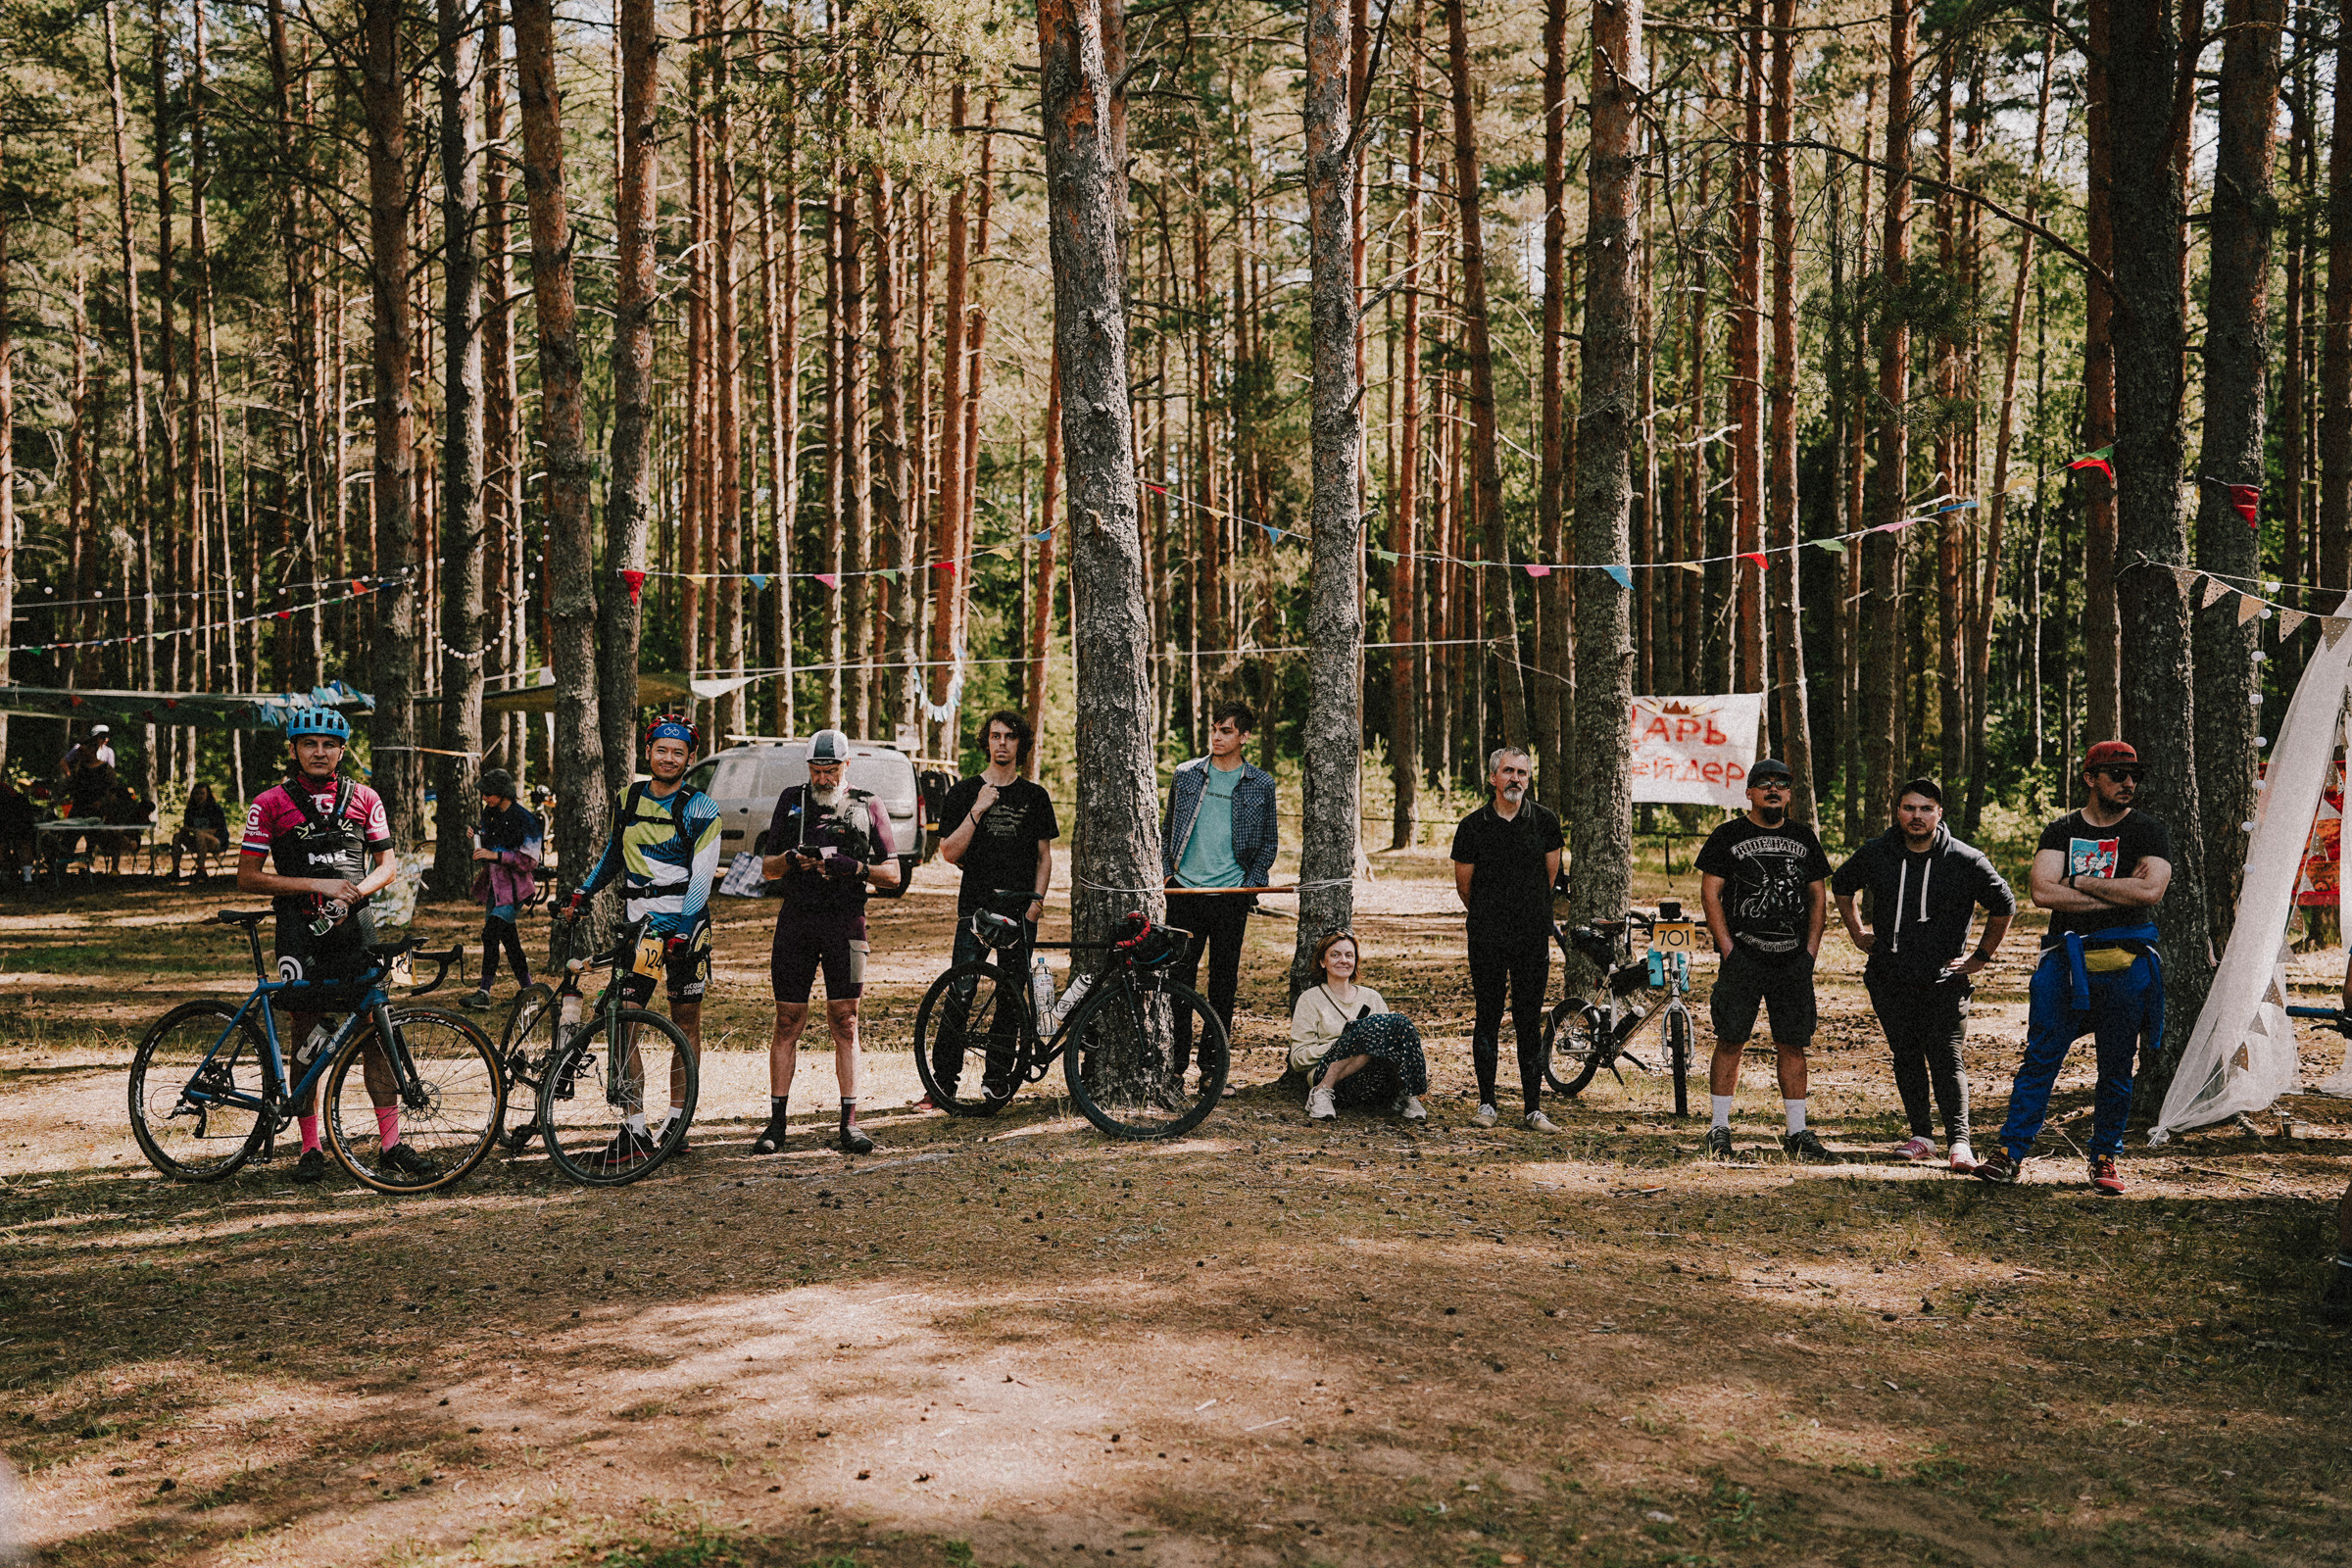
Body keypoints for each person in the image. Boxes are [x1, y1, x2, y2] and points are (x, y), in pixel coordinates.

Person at [1977, 740, 2172, 1194]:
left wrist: (2079, 880)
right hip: (2065, 963)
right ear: (2090, 779)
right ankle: (2010, 1152)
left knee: (2116, 1067)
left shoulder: (2148, 830)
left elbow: (2150, 892)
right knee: (2040, 1059)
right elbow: (2042, 892)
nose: (2128, 782)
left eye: (2134, 775)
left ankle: (2105, 1157)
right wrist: (2118, 892)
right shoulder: (2061, 829)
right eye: (2117, 774)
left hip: (2127, 964)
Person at [235, 709, 408, 1184]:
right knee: (305, 1033)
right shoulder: (270, 803)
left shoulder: (365, 797)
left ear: (342, 750)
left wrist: (354, 893)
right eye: (309, 743)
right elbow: (248, 877)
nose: (319, 752)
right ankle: (310, 1146)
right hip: (299, 932)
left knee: (376, 1031)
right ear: (293, 749)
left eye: (329, 744)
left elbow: (388, 865)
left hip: (356, 929)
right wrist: (316, 884)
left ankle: (391, 1144)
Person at [1832, 777, 2015, 1171]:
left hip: (1944, 978)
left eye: (1926, 808)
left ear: (1939, 813)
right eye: (1909, 808)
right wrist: (1858, 933)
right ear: (1897, 811)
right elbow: (1842, 886)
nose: (1917, 816)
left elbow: (2004, 905)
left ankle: (1960, 1144)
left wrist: (1981, 956)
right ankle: (1921, 1137)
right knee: (1906, 1054)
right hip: (1889, 974)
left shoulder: (1965, 859)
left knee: (1947, 1056)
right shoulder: (1877, 852)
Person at [568, 714, 721, 1167]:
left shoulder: (701, 808)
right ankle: (634, 1129)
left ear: (690, 758)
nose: (668, 758)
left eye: (678, 752)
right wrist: (585, 891)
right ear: (648, 751)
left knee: (685, 1024)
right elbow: (614, 853)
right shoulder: (629, 798)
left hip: (685, 928)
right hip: (641, 929)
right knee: (624, 1019)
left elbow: (703, 874)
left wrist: (685, 927)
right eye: (661, 750)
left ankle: (677, 1123)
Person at [756, 728, 901, 1155]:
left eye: (831, 770)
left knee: (846, 1020)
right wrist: (791, 859)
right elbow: (767, 868)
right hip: (797, 921)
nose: (823, 779)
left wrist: (855, 868)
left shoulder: (868, 803)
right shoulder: (791, 800)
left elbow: (894, 875)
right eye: (816, 770)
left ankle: (850, 1123)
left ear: (847, 765)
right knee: (787, 1021)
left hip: (846, 923)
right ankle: (776, 1123)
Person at [1697, 758, 1836, 1163]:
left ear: (1789, 794)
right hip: (1744, 957)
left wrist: (1810, 951)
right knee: (1731, 1039)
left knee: (1793, 1043)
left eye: (1781, 783)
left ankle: (1797, 1132)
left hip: (1792, 960)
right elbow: (1710, 893)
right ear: (1750, 793)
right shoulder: (1727, 835)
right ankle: (1719, 1129)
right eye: (1764, 783)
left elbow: (1818, 897)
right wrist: (1728, 948)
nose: (1773, 789)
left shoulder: (1803, 837)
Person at [922, 710, 1058, 1109]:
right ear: (987, 742)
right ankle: (941, 1085)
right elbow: (949, 852)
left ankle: (997, 1080)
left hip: (1020, 912)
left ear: (1020, 744)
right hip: (975, 910)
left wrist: (1035, 907)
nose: (1002, 743)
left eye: (1010, 736)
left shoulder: (1035, 796)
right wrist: (978, 809)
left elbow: (1044, 857)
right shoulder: (965, 792)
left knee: (1010, 997)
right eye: (996, 736)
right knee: (960, 992)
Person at [1162, 701, 1279, 1086]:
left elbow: (1269, 841)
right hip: (1184, 894)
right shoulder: (1186, 775)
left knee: (1223, 986)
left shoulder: (1260, 783)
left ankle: (1212, 1071)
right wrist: (1167, 875)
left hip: (1230, 895)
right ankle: (1174, 1068)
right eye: (1214, 729)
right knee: (1179, 982)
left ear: (1244, 737)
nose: (1217, 736)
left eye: (1226, 731)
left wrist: (1250, 883)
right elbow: (1166, 830)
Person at [1449, 747, 1565, 1132]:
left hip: (1531, 936)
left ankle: (1533, 1109)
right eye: (1508, 771)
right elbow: (1464, 886)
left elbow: (1550, 879)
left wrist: (1528, 914)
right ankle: (1487, 1104)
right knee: (1488, 1015)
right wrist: (1490, 914)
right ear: (1492, 778)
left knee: (1529, 1020)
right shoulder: (1472, 826)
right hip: (1487, 935)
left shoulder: (1545, 822)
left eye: (1522, 772)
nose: (1515, 778)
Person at [1292, 929, 1428, 1122]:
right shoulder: (1310, 999)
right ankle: (1321, 1092)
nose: (1343, 960)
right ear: (1322, 961)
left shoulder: (1372, 997)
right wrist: (1343, 1044)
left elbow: (1391, 1042)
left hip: (1376, 1082)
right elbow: (1298, 1059)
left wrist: (1361, 1037)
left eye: (1349, 955)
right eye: (1335, 955)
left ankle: (1408, 1095)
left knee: (1400, 1023)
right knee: (1364, 1034)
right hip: (1337, 1084)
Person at [463, 768, 541, 1010]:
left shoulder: (526, 819)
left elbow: (529, 861)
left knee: (490, 934)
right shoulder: (490, 814)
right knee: (508, 939)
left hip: (515, 890)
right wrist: (476, 836)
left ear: (502, 792)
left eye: (488, 793)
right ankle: (528, 991)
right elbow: (487, 842)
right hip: (494, 888)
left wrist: (495, 855)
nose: (484, 797)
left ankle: (484, 993)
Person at [172, 782, 229, 881]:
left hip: (217, 841)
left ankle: (201, 869)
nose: (199, 796)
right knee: (177, 836)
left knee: (200, 835)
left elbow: (214, 830)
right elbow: (188, 828)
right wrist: (185, 831)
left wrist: (195, 831)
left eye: (202, 793)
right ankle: (175, 870)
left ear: (207, 794)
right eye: (197, 793)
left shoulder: (215, 809)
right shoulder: (190, 810)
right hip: (197, 841)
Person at [0, 775, 35, 880]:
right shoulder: (8, 789)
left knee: (20, 843)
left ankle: (26, 877)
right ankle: (27, 877)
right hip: (18, 816)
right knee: (23, 843)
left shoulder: (7, 791)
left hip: (16, 817)